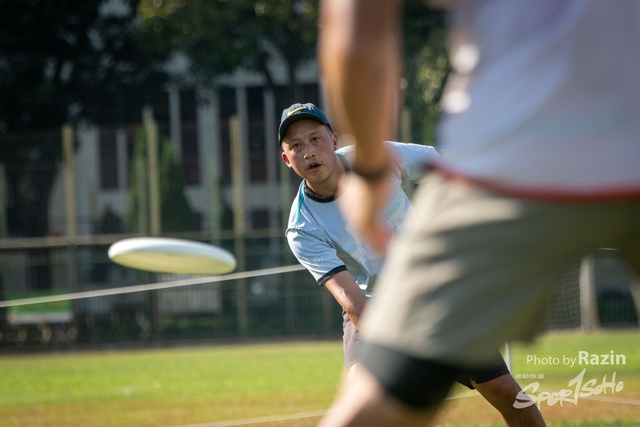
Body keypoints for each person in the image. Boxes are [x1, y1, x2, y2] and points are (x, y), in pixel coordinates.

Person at [316, 0, 640, 426]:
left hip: (512, 159)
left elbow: (358, 31)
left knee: (375, 410)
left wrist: (372, 172)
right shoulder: (300, 223)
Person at [279, 102, 546, 426]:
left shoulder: (377, 157)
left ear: (334, 140)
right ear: (287, 159)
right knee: (363, 406)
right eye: (296, 146)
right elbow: (356, 306)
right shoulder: (301, 228)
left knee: (507, 394)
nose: (308, 151)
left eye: (315, 139)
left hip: (436, 289)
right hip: (375, 312)